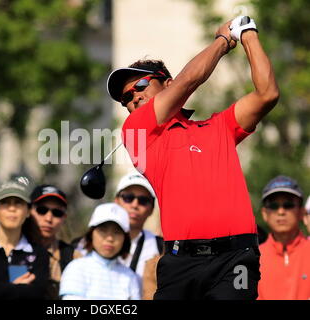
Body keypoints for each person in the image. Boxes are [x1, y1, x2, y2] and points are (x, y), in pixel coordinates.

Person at [106, 16, 279, 300]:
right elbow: (188, 82)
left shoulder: (218, 127)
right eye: (125, 98)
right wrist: (223, 41)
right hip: (180, 263)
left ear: (167, 84)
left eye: (140, 86)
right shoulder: (137, 132)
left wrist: (247, 32)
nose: (132, 98)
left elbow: (268, 93)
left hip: (235, 260)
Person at [59, 203, 140, 300]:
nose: (110, 238)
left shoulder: (130, 276)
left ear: (125, 239)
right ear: (91, 233)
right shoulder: (76, 268)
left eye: (117, 232)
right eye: (103, 230)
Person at [258, 175, 310, 300]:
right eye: (274, 206)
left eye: (288, 205)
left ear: (302, 212)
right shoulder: (253, 258)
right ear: (264, 214)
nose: (281, 211)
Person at [29, 184, 82, 299]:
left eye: (57, 213)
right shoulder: (14, 249)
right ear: (29, 212)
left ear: (64, 218)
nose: (48, 218)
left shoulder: (74, 258)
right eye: (42, 210)